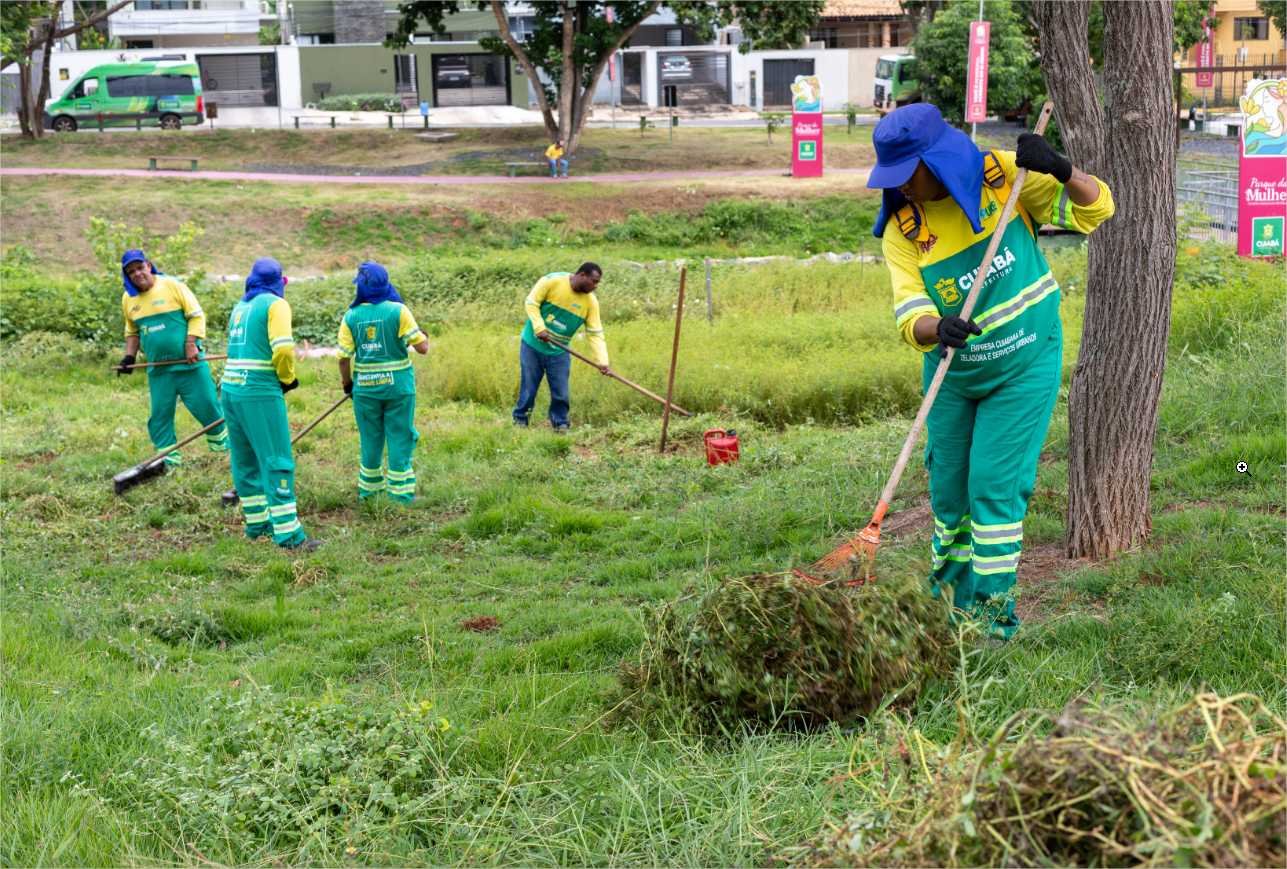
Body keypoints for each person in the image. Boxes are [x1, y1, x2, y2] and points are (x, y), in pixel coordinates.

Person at [867, 103, 1115, 639]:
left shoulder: (1005, 178)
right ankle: (948, 605)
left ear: (935, 161)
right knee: (951, 494)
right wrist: (938, 328)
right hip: (952, 374)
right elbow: (909, 312)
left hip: (1023, 364)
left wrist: (1062, 168)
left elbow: (1096, 212)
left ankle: (991, 617)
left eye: (907, 175)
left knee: (993, 489)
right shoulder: (902, 228)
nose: (901, 189)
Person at [220, 257, 318, 551]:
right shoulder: (276, 305)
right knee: (276, 459)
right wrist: (287, 378)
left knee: (245, 460)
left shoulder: (240, 307)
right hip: (259, 389)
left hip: (231, 388)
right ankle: (289, 535)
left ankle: (257, 524)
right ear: (279, 282)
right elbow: (283, 349)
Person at [116, 249, 228, 467]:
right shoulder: (129, 299)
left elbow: (196, 316)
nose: (137, 274)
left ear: (149, 265)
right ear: (127, 276)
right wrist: (129, 357)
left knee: (208, 407)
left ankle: (222, 451)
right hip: (159, 371)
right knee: (160, 416)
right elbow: (132, 331)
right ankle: (169, 460)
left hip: (190, 365)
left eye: (140, 268)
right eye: (131, 272)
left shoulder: (172, 286)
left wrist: (190, 345)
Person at [337, 262, 429, 503]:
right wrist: (422, 336)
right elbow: (422, 348)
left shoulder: (351, 316)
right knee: (400, 435)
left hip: (365, 390)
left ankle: (369, 492)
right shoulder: (398, 311)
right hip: (398, 388)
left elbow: (343, 358)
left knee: (370, 438)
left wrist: (348, 384)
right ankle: (400, 495)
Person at [512, 262, 611, 433]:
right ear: (582, 275)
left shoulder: (591, 303)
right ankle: (520, 421)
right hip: (532, 345)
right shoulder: (552, 281)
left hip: (559, 351)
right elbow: (531, 302)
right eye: (594, 281)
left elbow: (595, 333)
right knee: (529, 388)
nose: (595, 286)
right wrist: (539, 327)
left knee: (561, 392)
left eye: (597, 283)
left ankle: (560, 424)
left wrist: (602, 361)